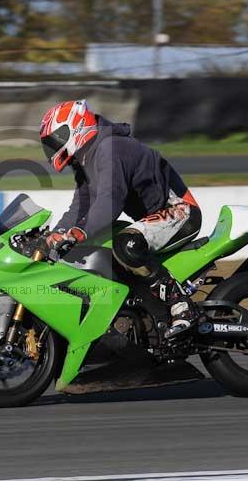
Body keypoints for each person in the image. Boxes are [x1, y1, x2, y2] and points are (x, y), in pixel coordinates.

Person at [39, 99, 202, 338]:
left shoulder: (110, 148)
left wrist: (80, 232)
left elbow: (109, 200)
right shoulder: (87, 159)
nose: (53, 147)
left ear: (75, 127)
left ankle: (182, 306)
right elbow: (80, 206)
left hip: (179, 211)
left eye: (55, 139)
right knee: (95, 253)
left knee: (126, 244)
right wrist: (55, 235)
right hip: (151, 218)